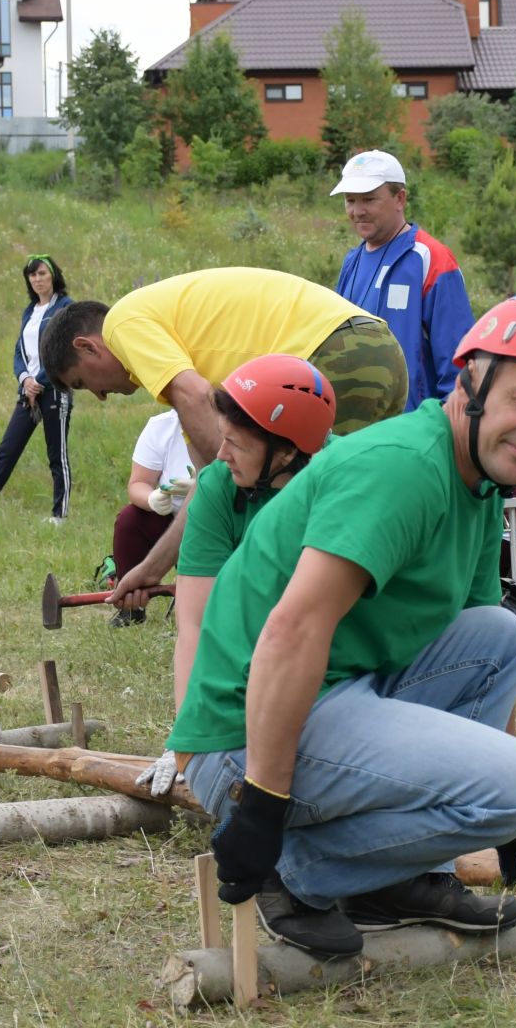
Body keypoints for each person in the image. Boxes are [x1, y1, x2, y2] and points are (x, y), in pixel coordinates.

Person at [161, 295, 516, 959]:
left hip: (332, 694)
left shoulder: (477, 485)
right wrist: (262, 807)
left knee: (500, 637)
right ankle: (300, 871)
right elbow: (291, 632)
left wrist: (512, 832)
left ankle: (396, 878)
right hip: (243, 740)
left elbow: (478, 653)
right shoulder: (404, 469)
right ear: (471, 381)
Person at [42, 267, 407, 605]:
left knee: (329, 508)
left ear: (87, 346)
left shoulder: (122, 325)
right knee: (364, 501)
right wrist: (151, 569)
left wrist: (247, 490)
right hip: (375, 345)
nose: (100, 396)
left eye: (81, 383)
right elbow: (209, 487)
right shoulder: (188, 371)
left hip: (333, 354)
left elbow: (201, 413)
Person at [134, 355, 335, 800]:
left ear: (286, 451)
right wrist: (185, 741)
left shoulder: (343, 484)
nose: (221, 455)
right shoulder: (218, 486)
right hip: (258, 659)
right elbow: (196, 624)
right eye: (222, 439)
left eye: (236, 445)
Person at [331, 149, 474, 409]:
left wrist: (442, 432)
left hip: (412, 433)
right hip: (355, 431)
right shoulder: (352, 262)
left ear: (400, 199)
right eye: (350, 200)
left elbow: (459, 367)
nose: (357, 211)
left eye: (369, 199)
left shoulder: (431, 260)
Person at [0, 254, 74, 522]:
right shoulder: (29, 311)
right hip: (28, 393)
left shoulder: (65, 307)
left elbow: (62, 351)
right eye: (33, 275)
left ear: (53, 275)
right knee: (8, 449)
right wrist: (24, 380)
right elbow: (19, 351)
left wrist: (40, 380)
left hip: (54, 391)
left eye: (42, 273)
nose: (38, 279)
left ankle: (59, 515)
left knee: (57, 455)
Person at [108, 409, 198, 627]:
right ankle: (131, 605)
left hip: (219, 521)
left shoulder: (232, 421)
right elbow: (137, 483)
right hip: (171, 522)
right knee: (131, 519)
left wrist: (204, 486)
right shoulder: (161, 426)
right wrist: (152, 498)